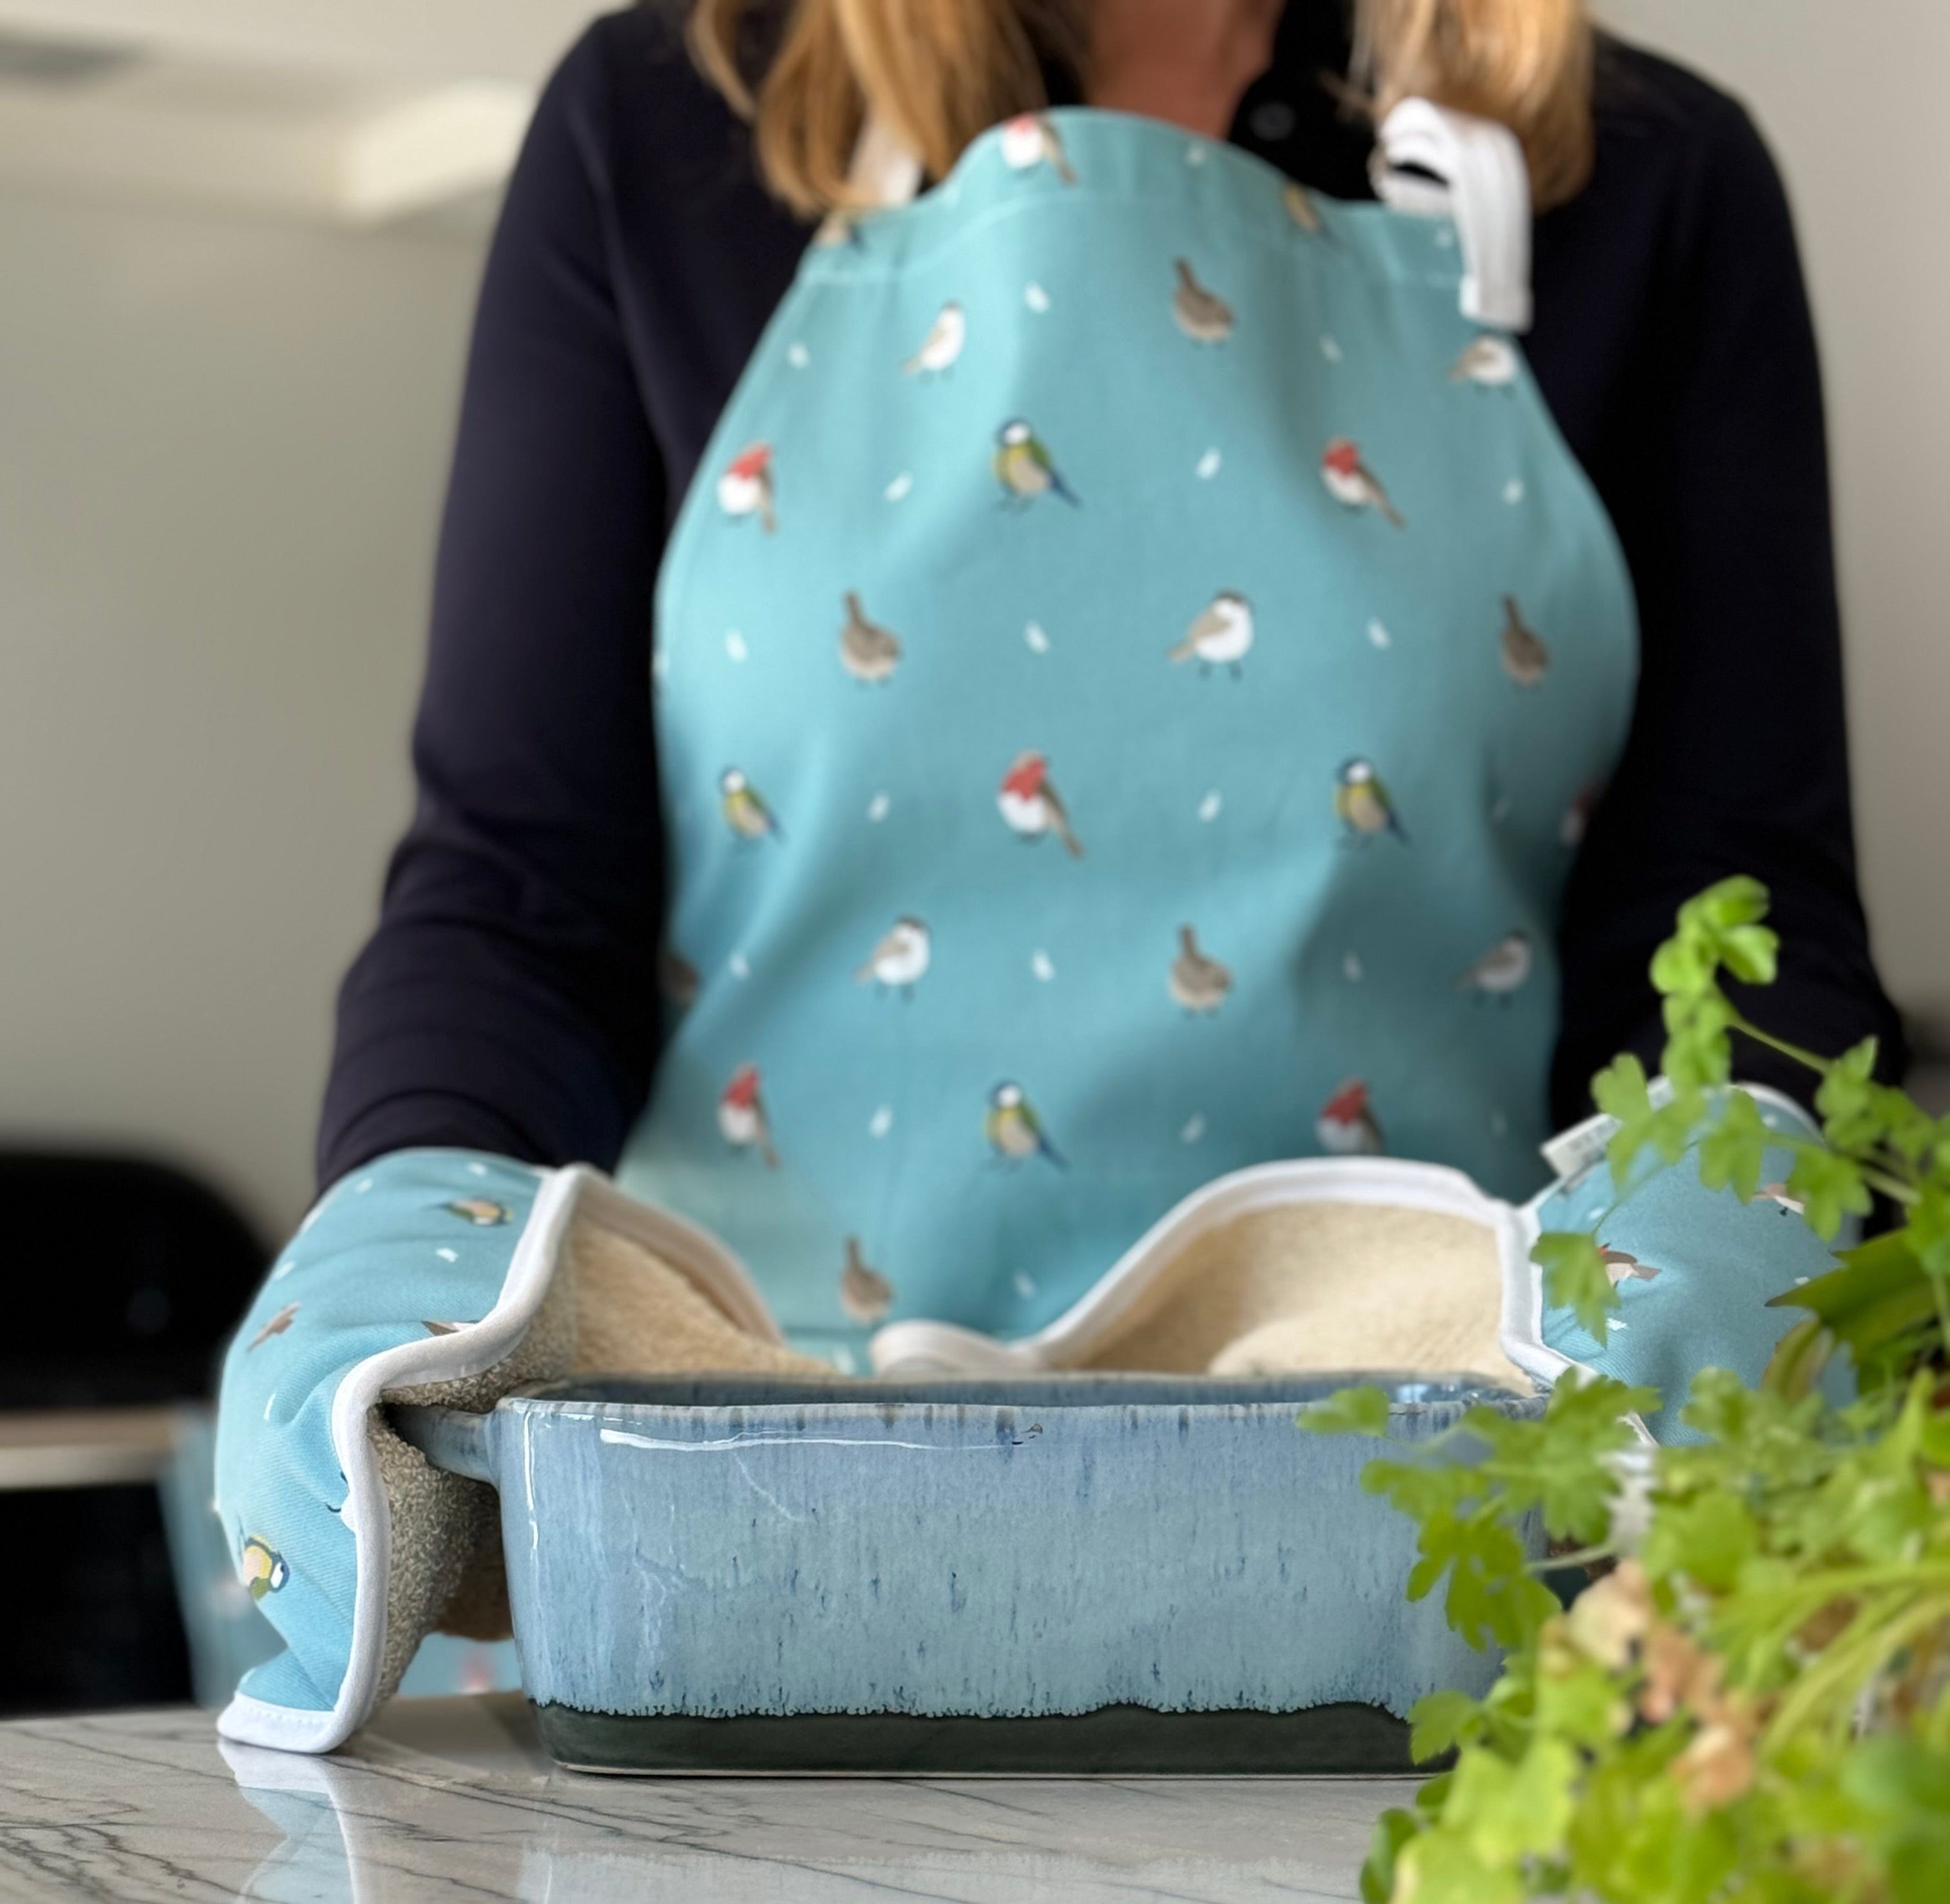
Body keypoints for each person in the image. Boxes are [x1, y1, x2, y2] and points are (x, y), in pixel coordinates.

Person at [215, 0, 1892, 1753]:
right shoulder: (662, 126)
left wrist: (1730, 1205)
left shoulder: (1644, 179)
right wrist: (411, 1221)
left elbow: (1732, 906)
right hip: (738, 1546)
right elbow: (524, 889)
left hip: (1424, 1556)